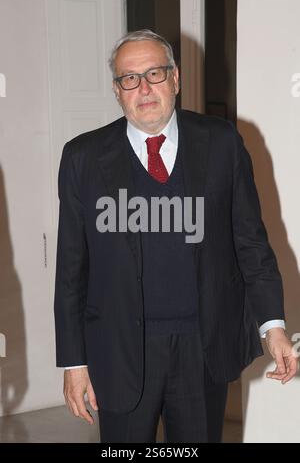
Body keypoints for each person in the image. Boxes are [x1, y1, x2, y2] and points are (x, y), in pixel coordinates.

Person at [54, 29, 298, 443]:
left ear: (176, 79)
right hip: (119, 349)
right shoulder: (83, 158)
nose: (144, 88)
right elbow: (71, 269)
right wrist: (73, 363)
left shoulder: (221, 143)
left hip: (202, 348)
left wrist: (272, 326)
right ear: (117, 90)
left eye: (155, 73)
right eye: (130, 78)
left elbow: (251, 244)